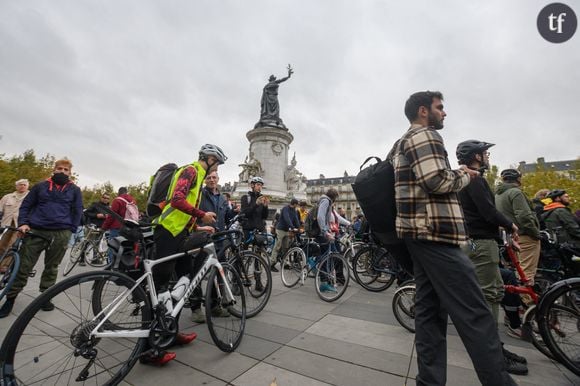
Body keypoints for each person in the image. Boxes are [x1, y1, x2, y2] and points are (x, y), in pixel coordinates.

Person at [389, 91, 515, 385]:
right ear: (424, 111)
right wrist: (465, 175)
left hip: (418, 234)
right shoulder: (426, 136)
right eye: (439, 108)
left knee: (430, 315)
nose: (444, 113)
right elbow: (435, 180)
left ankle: (430, 380)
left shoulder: (401, 142)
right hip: (435, 234)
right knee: (476, 314)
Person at [145, 144, 226, 365]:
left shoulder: (199, 177)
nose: (217, 168)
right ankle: (149, 350)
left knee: (185, 278)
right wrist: (202, 215)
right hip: (167, 232)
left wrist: (197, 227)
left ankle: (170, 332)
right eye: (217, 163)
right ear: (209, 159)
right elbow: (177, 201)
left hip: (180, 233)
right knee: (160, 288)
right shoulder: (190, 171)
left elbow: (183, 210)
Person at [456, 140, 528, 374]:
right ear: (476, 156)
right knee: (489, 295)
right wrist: (510, 224)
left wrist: (505, 235)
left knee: (493, 291)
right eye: (485, 153)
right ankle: (491, 351)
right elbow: (487, 212)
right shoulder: (474, 179)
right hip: (480, 243)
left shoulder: (469, 178)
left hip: (479, 241)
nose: (487, 156)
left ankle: (494, 346)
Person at [0, 160, 83, 318]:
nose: (62, 171)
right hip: (36, 230)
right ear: (54, 169)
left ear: (70, 172)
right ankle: (10, 299)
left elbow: (77, 210)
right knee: (23, 266)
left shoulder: (75, 190)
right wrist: (24, 223)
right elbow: (26, 206)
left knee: (52, 267)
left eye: (66, 169)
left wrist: (71, 230)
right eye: (59, 168)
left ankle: (45, 297)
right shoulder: (40, 186)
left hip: (60, 233)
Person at [495, 169, 541, 292]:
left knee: (519, 270)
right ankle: (528, 304)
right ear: (518, 179)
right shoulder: (515, 192)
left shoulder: (498, 195)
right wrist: (536, 233)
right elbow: (524, 216)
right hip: (525, 235)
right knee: (527, 273)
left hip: (511, 237)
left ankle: (521, 302)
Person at [315, 188, 344, 292]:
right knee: (327, 257)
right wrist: (325, 232)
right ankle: (323, 282)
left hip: (324, 232)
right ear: (334, 197)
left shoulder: (326, 201)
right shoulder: (326, 201)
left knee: (330, 255)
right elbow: (320, 217)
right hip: (321, 233)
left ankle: (324, 277)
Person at [101, 187, 137, 263]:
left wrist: (104, 227)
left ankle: (111, 267)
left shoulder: (118, 200)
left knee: (113, 248)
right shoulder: (132, 201)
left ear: (119, 192)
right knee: (124, 249)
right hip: (128, 229)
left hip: (117, 228)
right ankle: (121, 268)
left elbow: (111, 216)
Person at [0, 179, 30, 263]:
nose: (22, 186)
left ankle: (4, 266)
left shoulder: (31, 196)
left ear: (27, 186)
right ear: (16, 186)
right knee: (2, 244)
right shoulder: (7, 197)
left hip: (21, 224)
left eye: (24, 185)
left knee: (12, 245)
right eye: (20, 184)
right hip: (7, 224)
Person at [270, 198, 301, 272]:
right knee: (277, 246)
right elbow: (287, 218)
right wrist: (293, 227)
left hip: (286, 231)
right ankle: (271, 264)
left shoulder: (294, 210)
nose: (296, 207)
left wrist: (299, 228)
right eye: (296, 205)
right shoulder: (285, 209)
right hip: (280, 229)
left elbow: (296, 219)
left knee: (286, 248)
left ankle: (284, 264)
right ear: (294, 204)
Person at [240, 176, 270, 244]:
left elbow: (264, 216)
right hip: (248, 229)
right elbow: (245, 213)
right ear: (252, 185)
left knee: (260, 250)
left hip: (260, 229)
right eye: (258, 185)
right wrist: (256, 204)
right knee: (246, 250)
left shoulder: (262, 198)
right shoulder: (245, 197)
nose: (260, 187)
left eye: (261, 185)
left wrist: (265, 207)